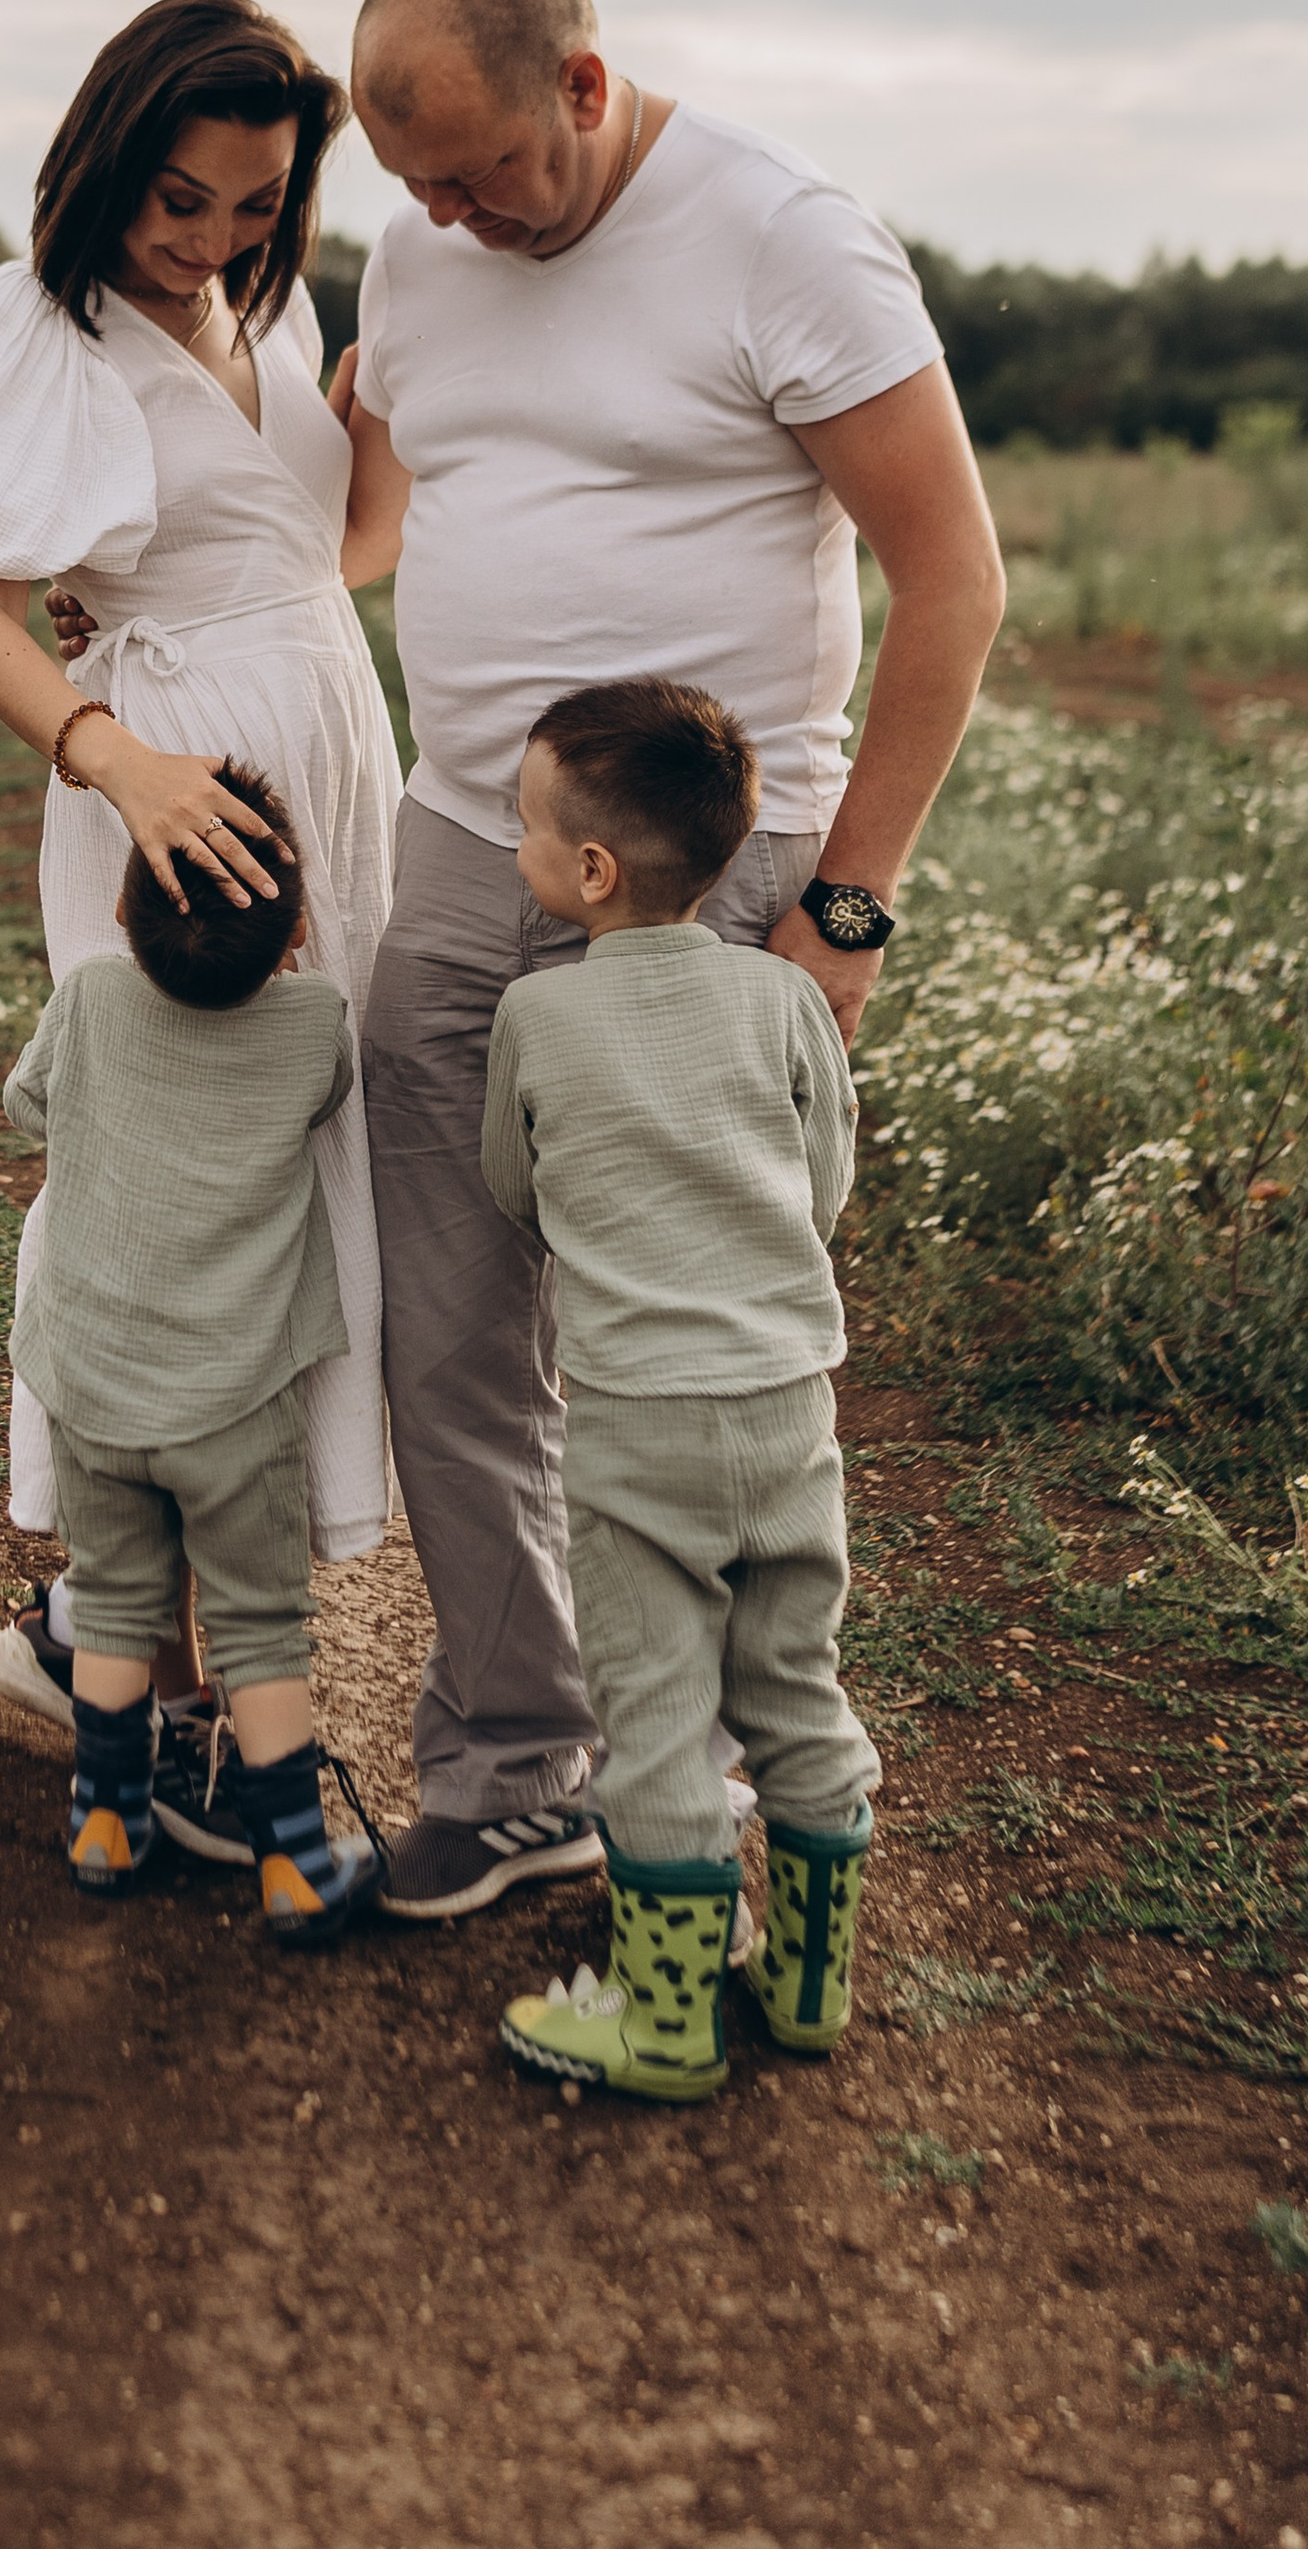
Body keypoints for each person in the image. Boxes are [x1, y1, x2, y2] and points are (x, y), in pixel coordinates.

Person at [338, 0, 1002, 1918]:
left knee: (671, 1356)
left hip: (708, 884)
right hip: (462, 845)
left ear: (583, 82)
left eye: (481, 173)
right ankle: (514, 1761)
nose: (449, 219)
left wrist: (845, 910)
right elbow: (385, 499)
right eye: (413, 186)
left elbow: (949, 580)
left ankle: (697, 1781)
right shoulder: (418, 252)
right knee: (452, 1334)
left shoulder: (784, 237)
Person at [0, 0, 403, 1863]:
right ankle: (146, 1680)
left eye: (255, 203)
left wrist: (385, 429)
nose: (213, 237)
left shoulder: (275, 313)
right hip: (165, 797)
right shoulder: (28, 326)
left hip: (326, 763)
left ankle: (114, 1635)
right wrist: (123, 762)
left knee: (310, 1163)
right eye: (181, 199)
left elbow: (318, 561)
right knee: (176, 1185)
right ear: (104, 160)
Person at [484, 679, 878, 2100]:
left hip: (638, 1420)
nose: (515, 844)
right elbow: (822, 1184)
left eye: (527, 827)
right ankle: (809, 1986)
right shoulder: (783, 997)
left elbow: (514, 1190)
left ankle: (662, 2025)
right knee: (795, 1687)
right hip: (787, 1408)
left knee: (653, 1720)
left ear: (590, 870)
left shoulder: (535, 1014)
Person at [2, 764, 387, 1944]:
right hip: (234, 1401)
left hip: (94, 1388)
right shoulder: (313, 1027)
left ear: (120, 912)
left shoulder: (90, 1001)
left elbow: (28, 1104)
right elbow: (320, 1102)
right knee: (260, 1625)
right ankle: (294, 1864)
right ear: (296, 934)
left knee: (119, 1603)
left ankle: (105, 1825)